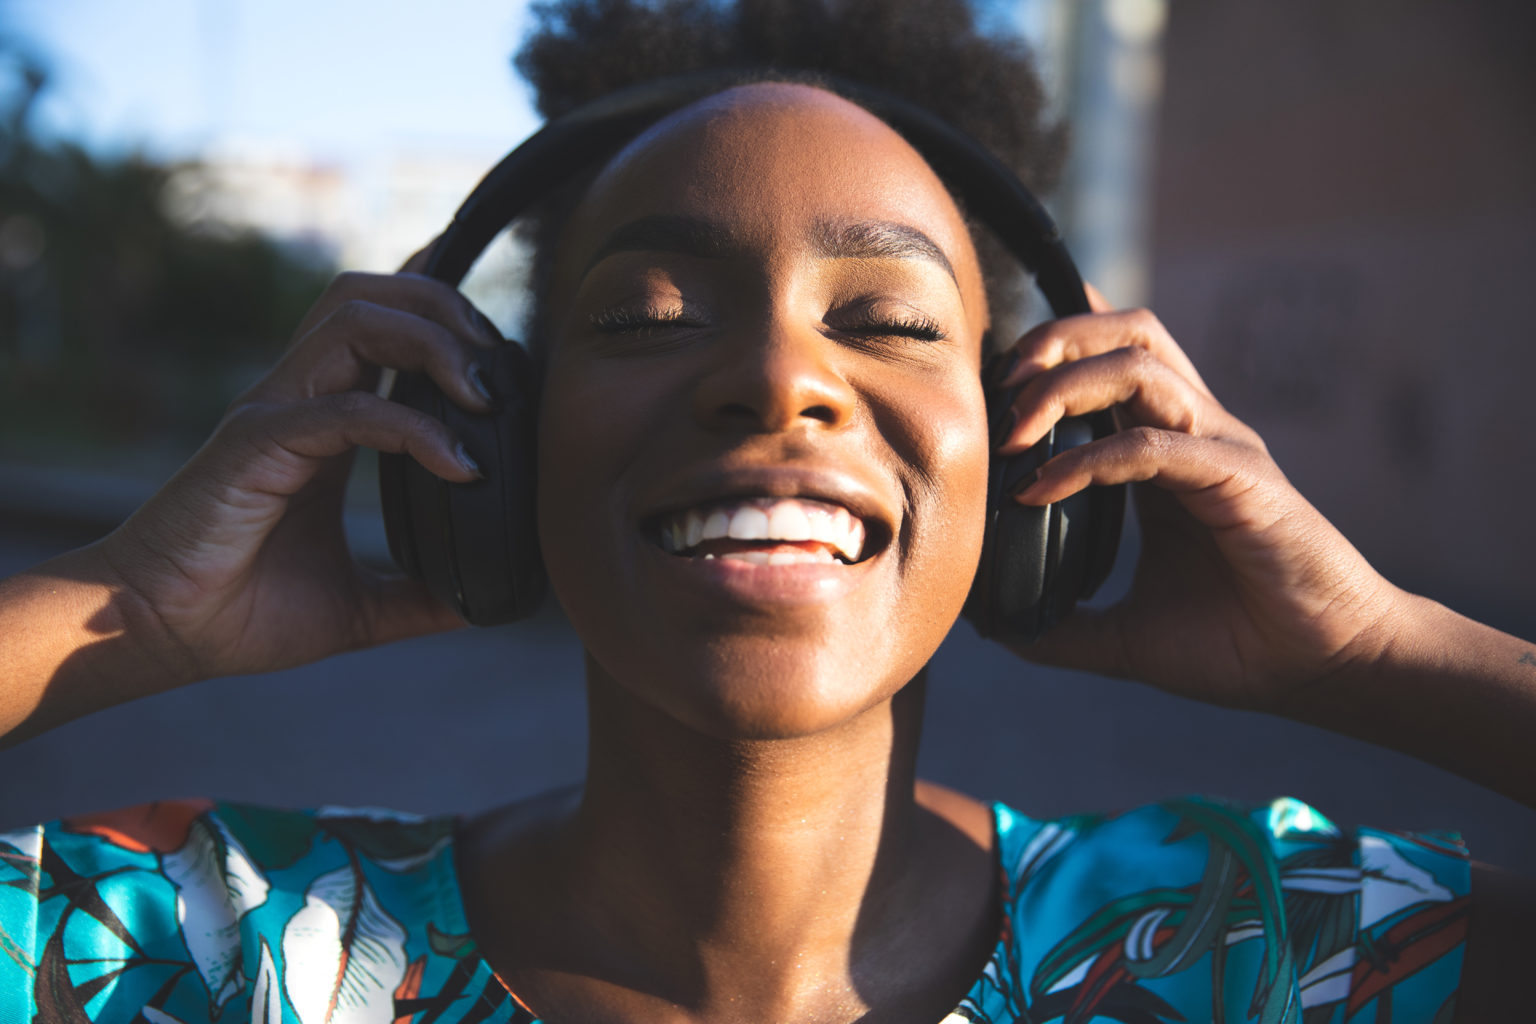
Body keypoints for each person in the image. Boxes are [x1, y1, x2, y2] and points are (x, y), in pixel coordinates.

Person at [1, 1, 1532, 1021]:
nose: (779, 379)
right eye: (652, 313)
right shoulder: (222, 949)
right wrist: (127, 614)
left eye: (889, 320)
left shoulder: (1261, 945)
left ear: (1024, 445)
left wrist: (1375, 652)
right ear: (496, 431)